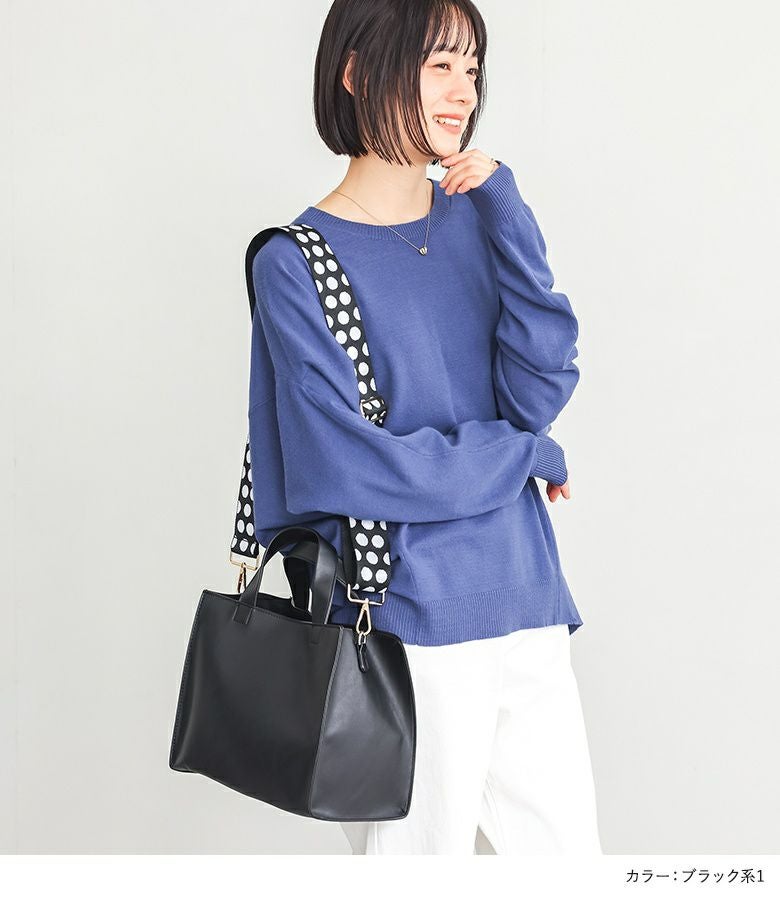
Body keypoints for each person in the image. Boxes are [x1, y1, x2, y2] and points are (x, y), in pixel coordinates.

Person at [247, 0, 602, 855]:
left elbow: (538, 390)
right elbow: (346, 466)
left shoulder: (478, 221)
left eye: (471, 67)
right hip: (406, 624)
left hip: (528, 599)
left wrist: (508, 210)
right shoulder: (295, 261)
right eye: (439, 64)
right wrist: (520, 455)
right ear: (358, 72)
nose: (463, 91)